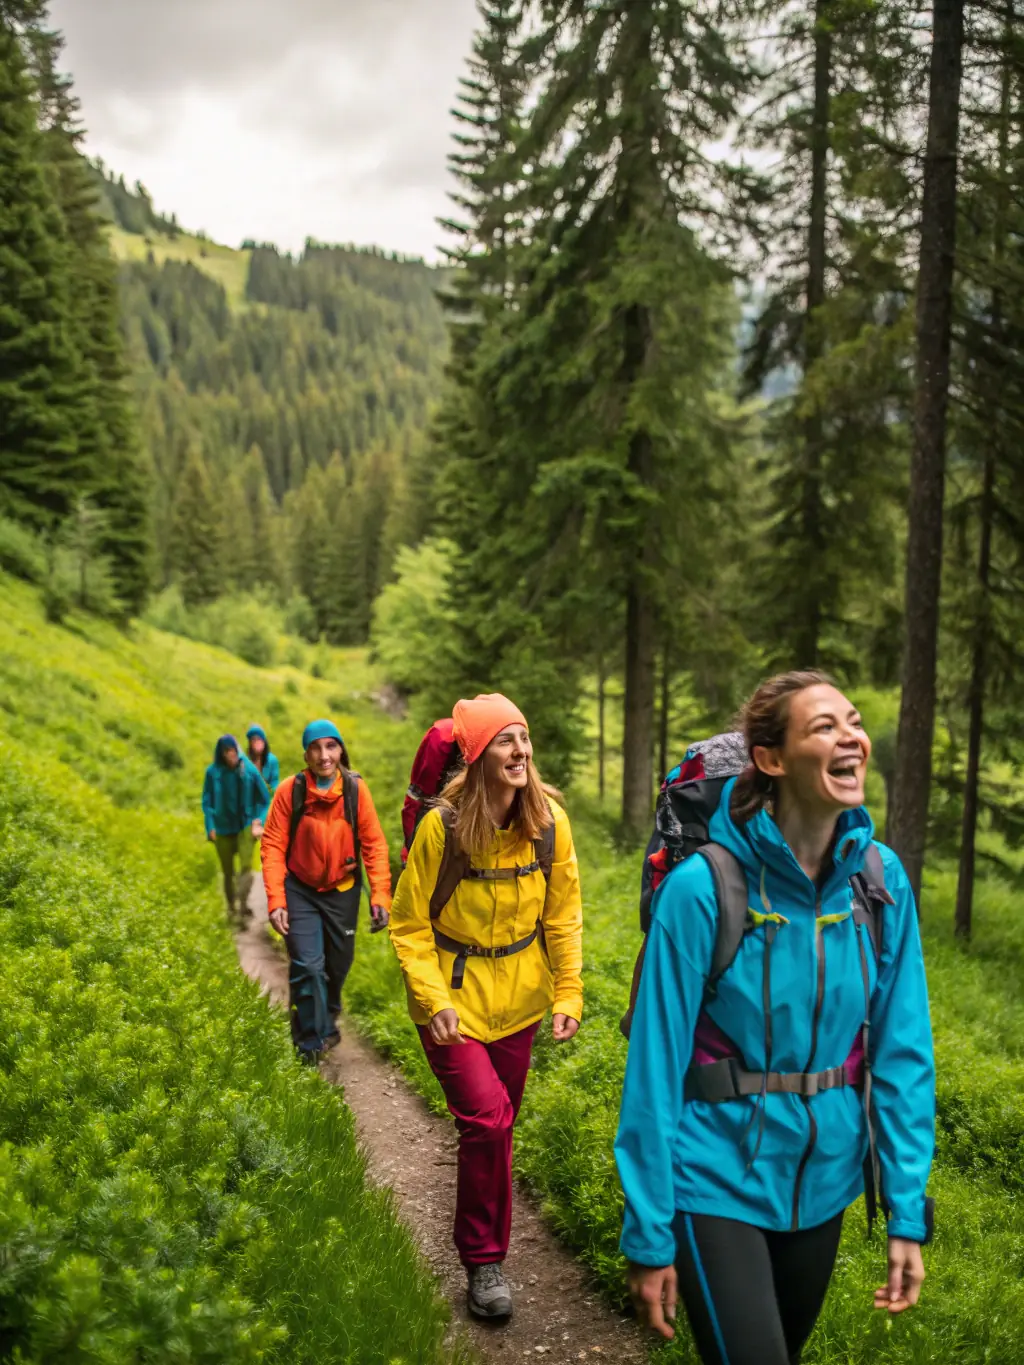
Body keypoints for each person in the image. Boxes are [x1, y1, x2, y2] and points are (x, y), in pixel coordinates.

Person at [616, 671, 935, 1365]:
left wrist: (907, 1210)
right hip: (716, 1173)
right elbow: (653, 1068)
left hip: (825, 1181)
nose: (851, 735)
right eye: (824, 726)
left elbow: (904, 1051)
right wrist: (648, 1231)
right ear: (771, 757)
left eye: (853, 721)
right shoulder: (703, 889)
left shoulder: (878, 884)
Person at [390, 693, 584, 1322]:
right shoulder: (440, 828)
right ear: (475, 755)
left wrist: (568, 991)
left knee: (496, 1127)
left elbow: (563, 916)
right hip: (452, 1000)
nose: (520, 750)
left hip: (521, 1000)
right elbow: (409, 924)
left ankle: (481, 1222)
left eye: (524, 738)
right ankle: (483, 1260)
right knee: (489, 1121)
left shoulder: (550, 822)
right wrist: (432, 997)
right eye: (505, 740)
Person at [260, 719, 392, 1063]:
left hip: (342, 891)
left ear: (340, 750)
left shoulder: (354, 790)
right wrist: (276, 899)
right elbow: (273, 845)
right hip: (300, 890)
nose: (324, 755)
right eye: (315, 748)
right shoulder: (291, 790)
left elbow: (375, 845)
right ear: (306, 753)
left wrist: (380, 895)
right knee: (307, 965)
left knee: (337, 965)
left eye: (330, 746)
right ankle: (308, 1044)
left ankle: (328, 1014)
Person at [202, 734, 271, 921]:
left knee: (246, 867)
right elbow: (207, 802)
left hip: (245, 826)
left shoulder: (248, 770)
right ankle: (231, 906)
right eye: (226, 752)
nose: (230, 755)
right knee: (227, 871)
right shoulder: (213, 773)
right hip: (222, 827)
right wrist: (210, 826)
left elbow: (265, 799)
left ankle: (243, 904)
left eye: (232, 751)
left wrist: (259, 820)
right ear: (221, 754)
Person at [246, 724, 280, 793]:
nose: (257, 742)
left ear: (264, 742)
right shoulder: (246, 761)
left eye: (259, 739)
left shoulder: (272, 760)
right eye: (254, 740)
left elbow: (275, 782)